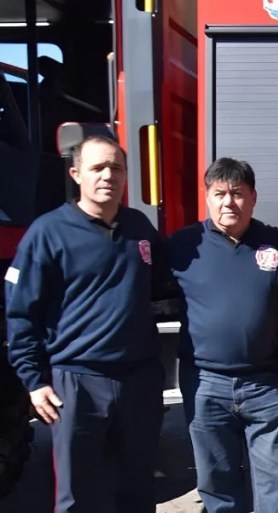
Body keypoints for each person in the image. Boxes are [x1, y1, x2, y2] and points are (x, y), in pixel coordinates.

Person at [5, 135, 168, 512]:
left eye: (116, 168)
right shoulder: (47, 233)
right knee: (77, 495)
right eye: (98, 168)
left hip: (138, 382)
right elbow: (20, 312)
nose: (108, 175)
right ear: (76, 174)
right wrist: (34, 382)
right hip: (76, 384)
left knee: (138, 489)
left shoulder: (139, 227)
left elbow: (166, 283)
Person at [167, 158, 278, 513]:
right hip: (205, 383)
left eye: (237, 193)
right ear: (207, 196)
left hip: (266, 384)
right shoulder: (182, 245)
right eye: (219, 193)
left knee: (276, 486)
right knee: (217, 482)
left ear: (253, 197)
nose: (228, 202)